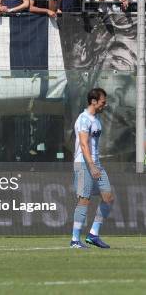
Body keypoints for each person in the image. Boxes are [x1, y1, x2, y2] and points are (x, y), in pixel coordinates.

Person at [70, 88, 113, 249]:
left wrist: (96, 165)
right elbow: (83, 144)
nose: (105, 104)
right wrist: (91, 166)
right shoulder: (83, 119)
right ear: (93, 101)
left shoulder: (96, 119)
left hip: (96, 165)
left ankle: (93, 234)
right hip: (84, 164)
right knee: (84, 200)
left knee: (108, 198)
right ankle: (75, 240)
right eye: (103, 102)